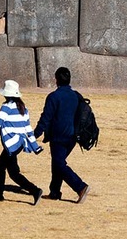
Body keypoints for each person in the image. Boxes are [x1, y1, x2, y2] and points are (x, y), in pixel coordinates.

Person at [0, 80, 44, 205]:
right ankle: (32, 191)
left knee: (1, 168)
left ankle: (32, 191)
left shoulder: (6, 107)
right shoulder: (24, 108)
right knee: (12, 172)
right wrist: (35, 146)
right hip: (19, 144)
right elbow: (28, 129)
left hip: (11, 145)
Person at [33, 67, 91, 204]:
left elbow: (45, 118)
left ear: (56, 80)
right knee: (57, 163)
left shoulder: (54, 97)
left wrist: (35, 134)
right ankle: (54, 192)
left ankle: (80, 187)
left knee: (59, 164)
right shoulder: (75, 95)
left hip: (58, 137)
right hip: (73, 137)